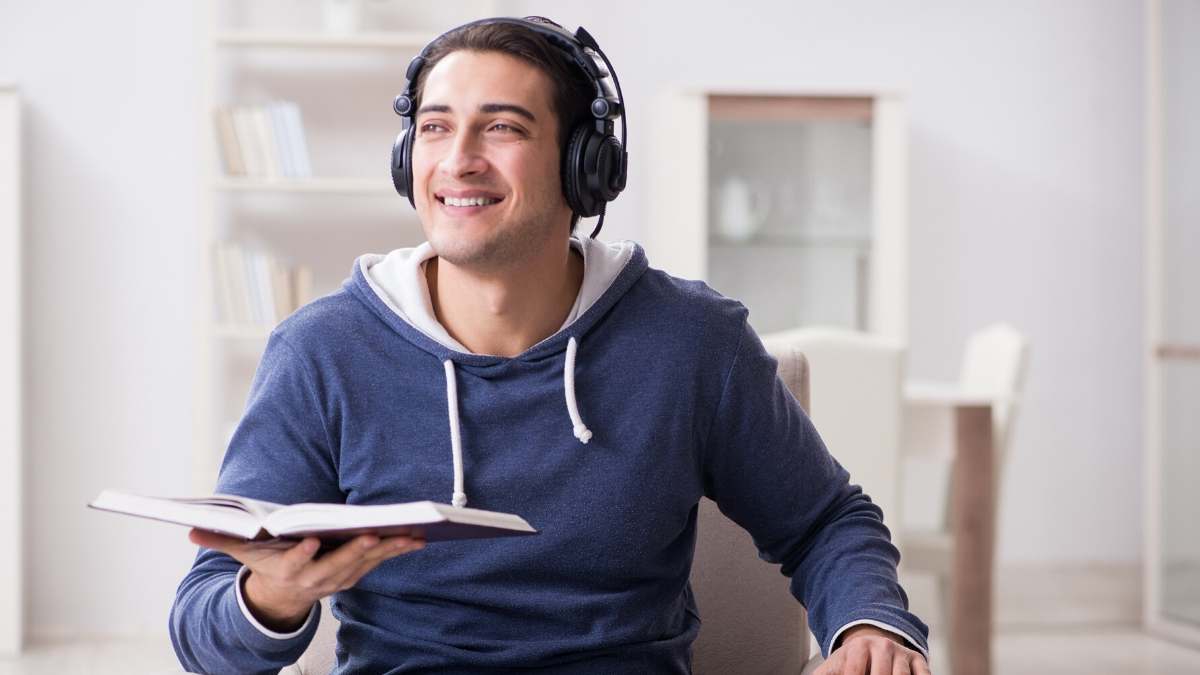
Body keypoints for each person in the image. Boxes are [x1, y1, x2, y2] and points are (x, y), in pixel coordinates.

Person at [170, 16, 931, 675]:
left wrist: (868, 621)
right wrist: (271, 595)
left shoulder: (693, 342)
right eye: (434, 127)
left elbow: (825, 519)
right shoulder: (322, 351)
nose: (458, 158)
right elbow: (205, 636)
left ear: (584, 168)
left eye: (501, 127)